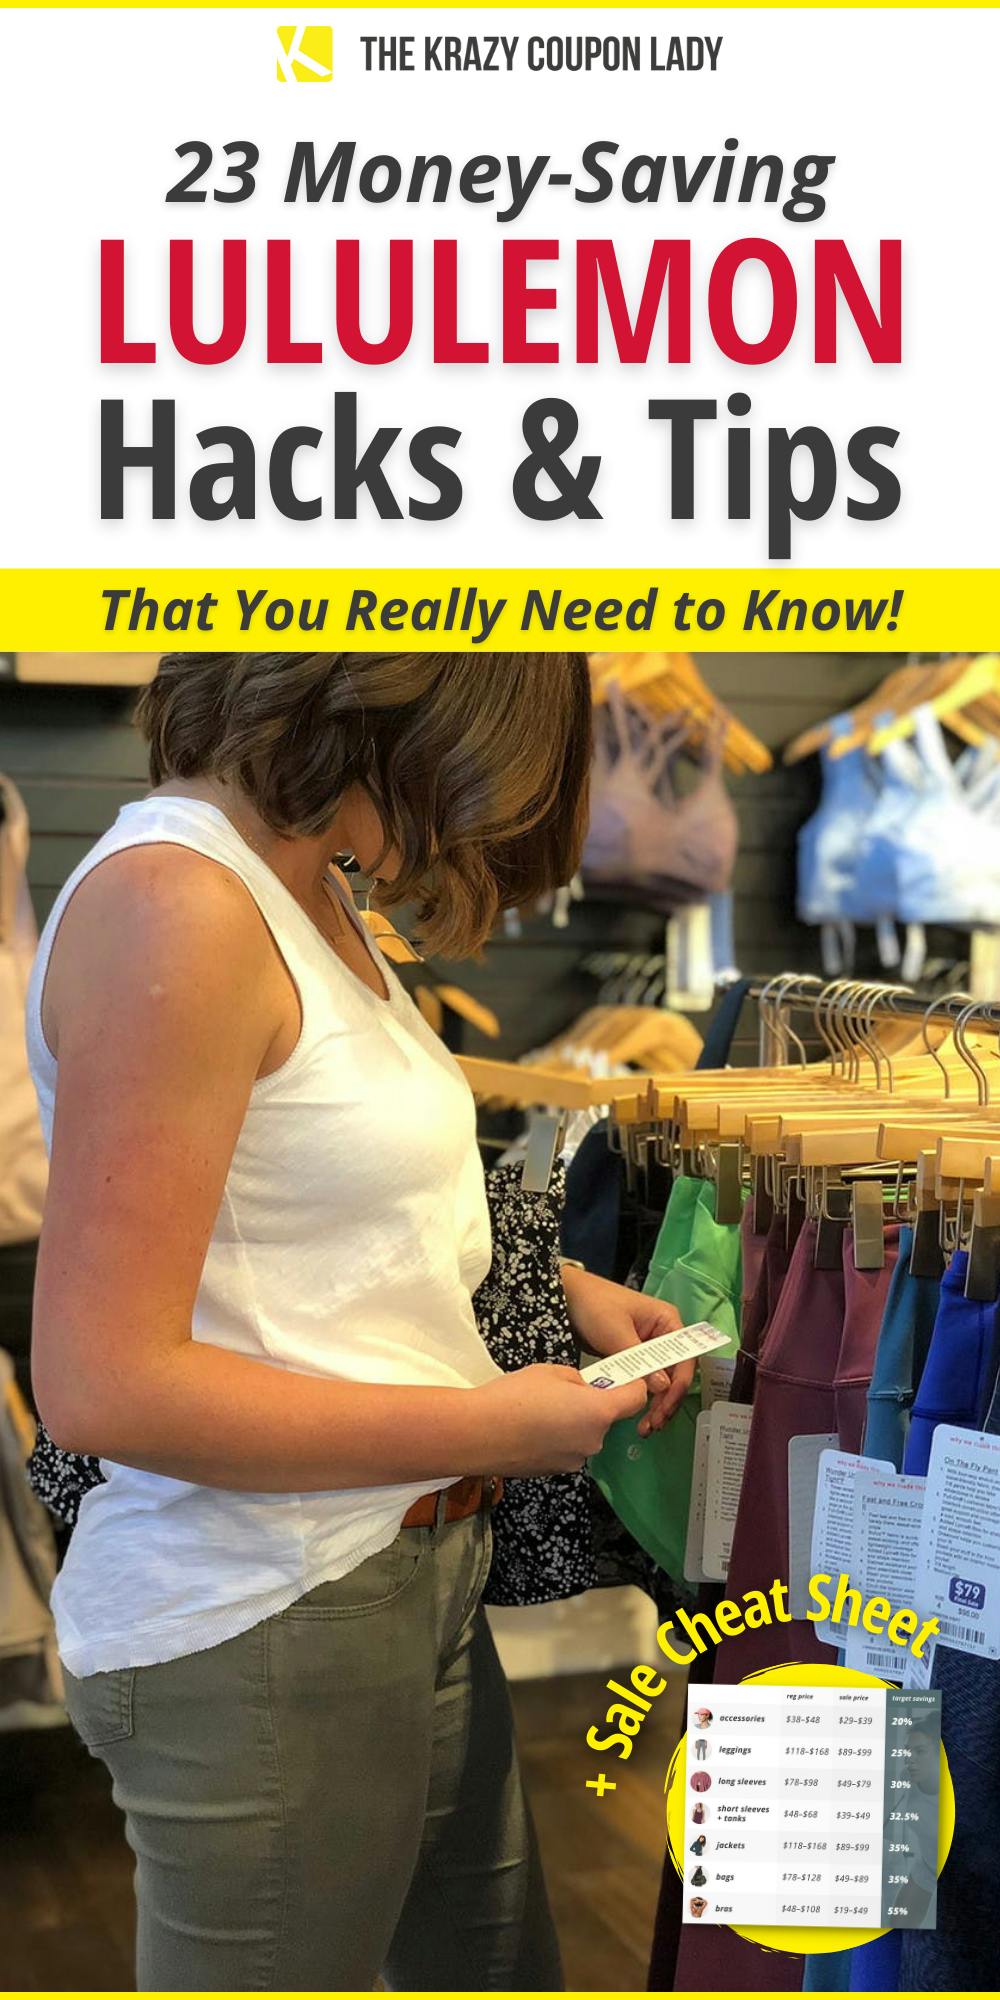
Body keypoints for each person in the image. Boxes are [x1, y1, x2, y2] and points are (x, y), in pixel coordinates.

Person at [28, 651, 693, 1993]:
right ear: (399, 704)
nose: (460, 833)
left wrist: (555, 1286)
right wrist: (486, 1425)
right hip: (266, 1605)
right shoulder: (180, 904)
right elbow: (103, 1384)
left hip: (401, 1574)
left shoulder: (304, 887)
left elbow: (319, 1204)